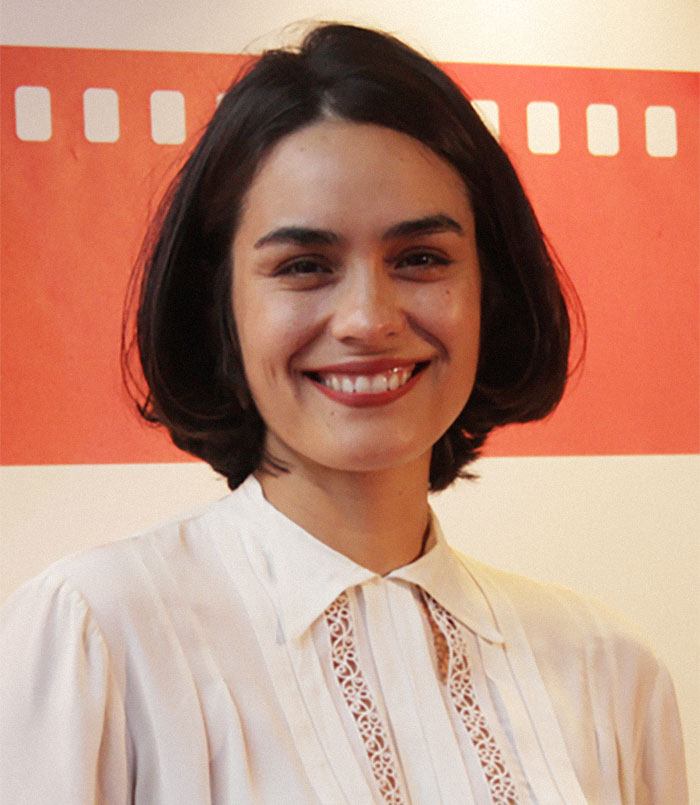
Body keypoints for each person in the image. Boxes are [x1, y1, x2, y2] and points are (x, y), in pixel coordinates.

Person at [0, 22, 688, 804]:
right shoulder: (97, 639)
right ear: (221, 306)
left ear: (490, 291)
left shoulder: (608, 673)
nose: (367, 319)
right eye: (304, 266)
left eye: (420, 258)